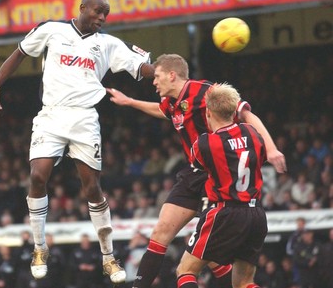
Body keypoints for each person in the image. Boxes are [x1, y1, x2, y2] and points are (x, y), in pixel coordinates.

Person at [0, 0, 154, 284]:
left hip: (84, 118)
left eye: (106, 14)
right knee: (38, 176)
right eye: (98, 12)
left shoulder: (108, 44)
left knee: (91, 188)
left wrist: (170, 75)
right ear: (82, 8)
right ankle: (40, 248)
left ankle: (108, 256)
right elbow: (19, 54)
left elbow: (142, 67)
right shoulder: (52, 30)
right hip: (51, 115)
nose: (102, 18)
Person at [107, 54, 286, 288]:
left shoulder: (205, 91)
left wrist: (271, 149)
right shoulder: (171, 101)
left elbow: (245, 113)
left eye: (157, 76)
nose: (154, 81)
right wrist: (131, 102)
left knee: (199, 261)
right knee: (161, 233)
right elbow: (164, 112)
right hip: (194, 173)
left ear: (172, 75)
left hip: (216, 174)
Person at [175, 82, 268, 288]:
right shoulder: (252, 133)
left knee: (186, 270)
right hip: (256, 214)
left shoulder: (205, 143)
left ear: (208, 112)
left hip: (225, 213)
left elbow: (197, 165)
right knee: (244, 282)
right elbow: (260, 158)